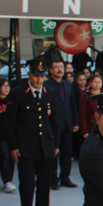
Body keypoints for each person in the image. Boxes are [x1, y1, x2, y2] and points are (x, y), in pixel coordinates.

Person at [7, 58, 61, 206]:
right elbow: (10, 123)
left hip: (45, 148)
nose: (39, 80)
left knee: (44, 188)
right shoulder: (17, 93)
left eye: (42, 76)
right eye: (36, 76)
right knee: (27, 188)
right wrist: (13, 146)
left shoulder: (50, 93)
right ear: (29, 74)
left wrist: (55, 145)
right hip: (26, 149)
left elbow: (55, 121)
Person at [45, 60, 79, 189]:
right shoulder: (47, 85)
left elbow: (72, 105)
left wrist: (75, 122)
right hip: (53, 126)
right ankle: (53, 179)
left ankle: (65, 178)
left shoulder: (68, 85)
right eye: (56, 67)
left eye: (61, 67)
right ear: (51, 70)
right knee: (53, 153)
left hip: (67, 124)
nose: (60, 69)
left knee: (66, 153)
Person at [0, 77, 17, 193]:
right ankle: (6, 181)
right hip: (0, 135)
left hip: (11, 134)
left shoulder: (12, 100)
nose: (6, 89)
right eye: (4, 86)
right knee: (4, 156)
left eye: (8, 86)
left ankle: (9, 180)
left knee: (12, 157)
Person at [80, 73, 102, 139]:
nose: (97, 84)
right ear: (90, 83)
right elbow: (82, 114)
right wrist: (84, 131)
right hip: (90, 126)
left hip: (102, 126)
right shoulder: (85, 95)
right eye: (95, 82)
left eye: (99, 82)